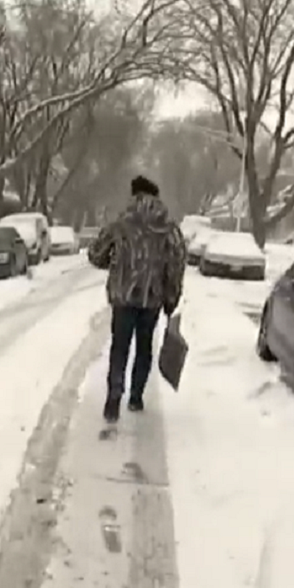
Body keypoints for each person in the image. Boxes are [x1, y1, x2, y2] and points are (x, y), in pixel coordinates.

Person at [87, 175, 186, 423]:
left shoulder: (121, 223)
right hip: (151, 298)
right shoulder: (168, 227)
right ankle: (136, 397)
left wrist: (115, 263)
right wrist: (171, 297)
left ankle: (113, 398)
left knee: (119, 347)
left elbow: (96, 254)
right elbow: (176, 263)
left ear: (135, 194)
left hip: (123, 296)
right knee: (144, 348)